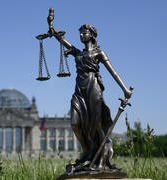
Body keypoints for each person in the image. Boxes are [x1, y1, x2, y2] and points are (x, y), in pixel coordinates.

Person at [48, 17, 132, 169]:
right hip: (79, 90)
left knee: (96, 126)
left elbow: (112, 72)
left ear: (92, 35)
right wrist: (52, 29)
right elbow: (63, 41)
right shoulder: (77, 52)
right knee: (74, 122)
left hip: (93, 88)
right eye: (80, 33)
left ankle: (100, 157)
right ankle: (87, 151)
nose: (81, 35)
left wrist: (124, 89)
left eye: (84, 33)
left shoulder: (99, 53)